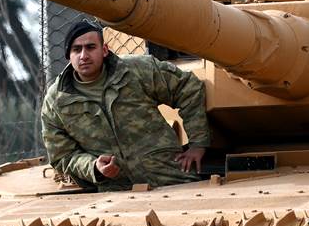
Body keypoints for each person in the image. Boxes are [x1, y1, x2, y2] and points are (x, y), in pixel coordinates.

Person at [41, 19, 210, 191]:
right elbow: (62, 156)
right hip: (116, 189)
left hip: (170, 178)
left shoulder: (136, 70)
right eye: (76, 49)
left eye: (91, 47)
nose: (83, 55)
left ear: (104, 50)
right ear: (68, 55)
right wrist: (93, 167)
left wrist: (197, 144)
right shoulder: (56, 102)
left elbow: (188, 87)